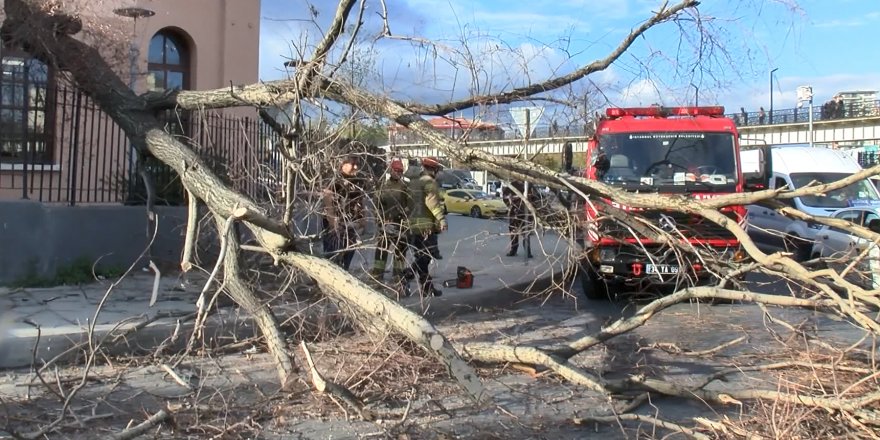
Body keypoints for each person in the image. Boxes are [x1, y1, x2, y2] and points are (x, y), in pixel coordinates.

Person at [369, 159, 413, 295]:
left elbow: (411, 206)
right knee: (381, 252)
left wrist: (405, 218)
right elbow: (377, 206)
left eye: (400, 171)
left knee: (400, 254)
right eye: (395, 170)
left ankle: (398, 277)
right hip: (385, 225)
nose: (397, 173)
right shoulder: (382, 186)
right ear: (390, 171)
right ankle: (377, 276)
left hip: (400, 225)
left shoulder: (406, 187)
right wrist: (381, 221)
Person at [406, 157, 447, 297]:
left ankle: (427, 288)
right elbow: (432, 204)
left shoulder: (413, 182)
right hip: (426, 227)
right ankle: (408, 274)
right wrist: (442, 220)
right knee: (425, 257)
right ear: (434, 169)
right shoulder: (430, 183)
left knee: (422, 257)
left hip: (413, 225)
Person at [322, 155, 368, 270]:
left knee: (349, 251)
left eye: (357, 164)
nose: (356, 167)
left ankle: (344, 272)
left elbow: (359, 200)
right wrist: (333, 223)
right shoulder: (334, 180)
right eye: (353, 164)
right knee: (333, 254)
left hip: (350, 223)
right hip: (335, 224)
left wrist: (362, 217)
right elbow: (328, 201)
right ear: (343, 165)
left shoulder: (357, 181)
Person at [503, 180, 535, 258]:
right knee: (513, 232)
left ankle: (528, 252)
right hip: (514, 213)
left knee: (526, 233)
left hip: (525, 213)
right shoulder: (512, 185)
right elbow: (505, 197)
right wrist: (510, 200)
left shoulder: (529, 185)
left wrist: (527, 198)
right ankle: (513, 250)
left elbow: (534, 198)